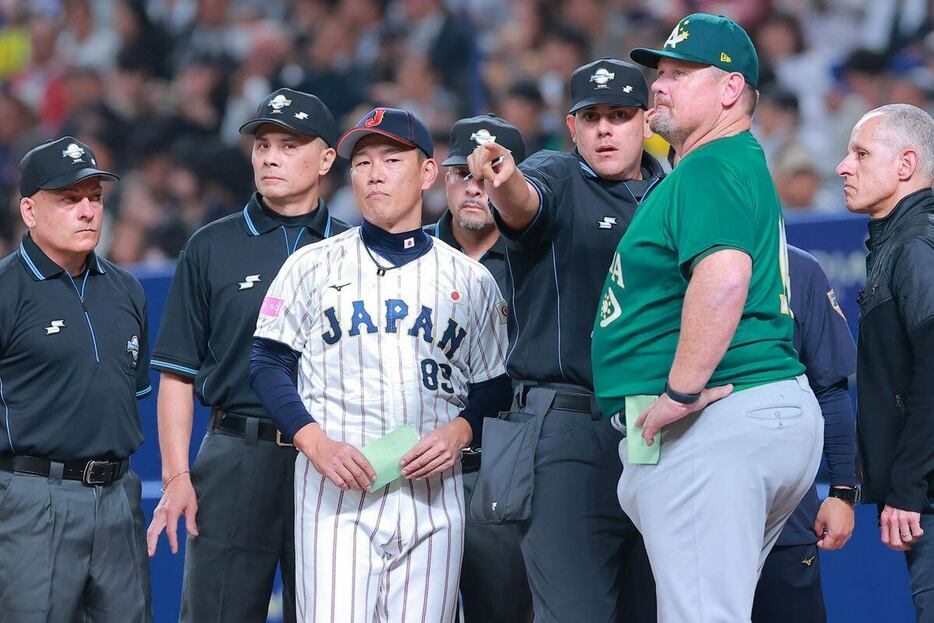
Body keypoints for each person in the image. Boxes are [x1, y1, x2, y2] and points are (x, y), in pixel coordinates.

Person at [591, 14, 823, 622]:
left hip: (718, 416)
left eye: (680, 72)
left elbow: (723, 278)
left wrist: (678, 390)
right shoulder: (727, 161)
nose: (659, 85)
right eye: (660, 72)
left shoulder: (710, 163)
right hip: (755, 411)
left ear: (730, 89)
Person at [249, 107, 512, 623]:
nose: (374, 174)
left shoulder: (470, 279)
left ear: (428, 173)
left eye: (392, 159)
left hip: (433, 498)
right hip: (335, 496)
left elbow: (495, 382)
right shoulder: (312, 264)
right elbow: (267, 361)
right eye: (362, 162)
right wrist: (313, 441)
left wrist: (461, 430)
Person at [468, 58, 663, 623]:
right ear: (572, 127)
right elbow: (524, 203)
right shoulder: (555, 172)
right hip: (570, 426)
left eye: (620, 115)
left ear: (646, 121)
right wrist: (503, 182)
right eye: (591, 116)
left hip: (661, 425)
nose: (605, 129)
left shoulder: (672, 191)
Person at [144, 88, 348, 623]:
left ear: (327, 158)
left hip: (332, 457)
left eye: (289, 144)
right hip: (237, 455)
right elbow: (176, 375)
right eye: (262, 145)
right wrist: (175, 477)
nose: (271, 157)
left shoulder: (357, 248)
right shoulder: (211, 246)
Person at [0, 136, 152, 622]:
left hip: (117, 496)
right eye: (68, 199)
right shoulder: (6, 290)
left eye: (94, 198)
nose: (87, 211)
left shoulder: (127, 289)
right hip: (31, 498)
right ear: (29, 210)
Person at [426, 113, 534, 623]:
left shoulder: (538, 257)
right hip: (419, 468)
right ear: (443, 178)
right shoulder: (409, 254)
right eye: (462, 173)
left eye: (489, 173)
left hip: (508, 468)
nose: (475, 188)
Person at [836, 103, 934, 621]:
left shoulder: (918, 245)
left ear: (905, 164)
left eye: (860, 153)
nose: (843, 166)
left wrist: (910, 488)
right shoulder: (899, 242)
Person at [753, 245, 858, 623]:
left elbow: (829, 388)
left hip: (786, 512)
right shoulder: (669, 265)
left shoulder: (799, 268)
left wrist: (843, 491)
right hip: (697, 504)